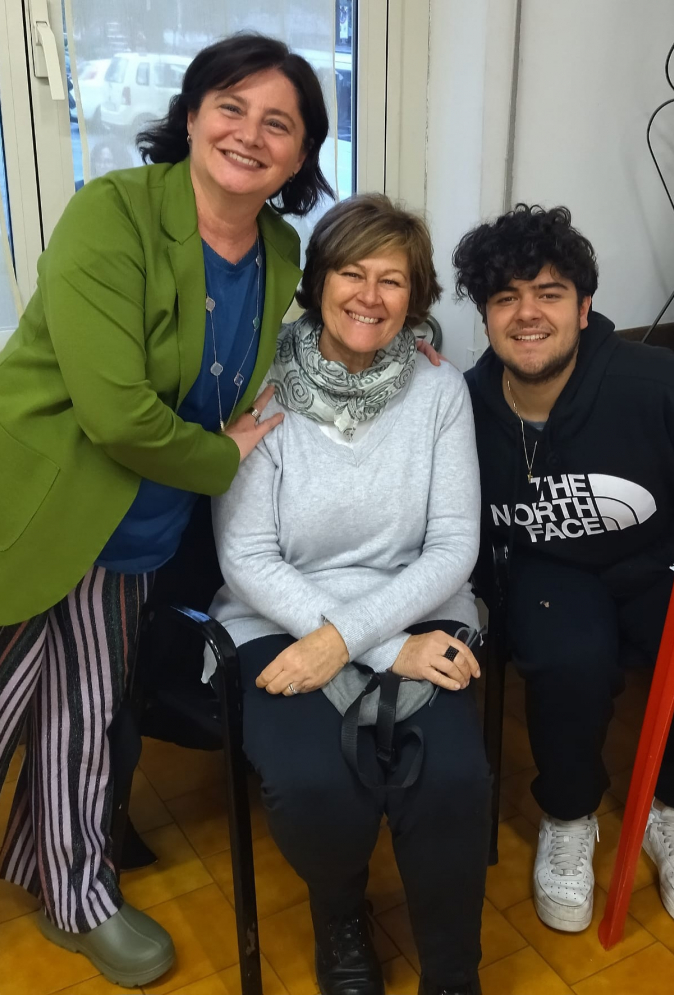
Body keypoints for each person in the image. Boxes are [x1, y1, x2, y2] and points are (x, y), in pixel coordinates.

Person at [0, 33, 331, 987]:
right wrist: (221, 456)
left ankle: (77, 893)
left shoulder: (282, 249)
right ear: (192, 116)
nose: (250, 134)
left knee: (84, 721)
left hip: (134, 532)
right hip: (10, 512)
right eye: (231, 107)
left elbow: (286, 343)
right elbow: (117, 412)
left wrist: (406, 344)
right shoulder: (113, 211)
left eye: (278, 123)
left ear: (300, 154)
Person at [456, 205, 674, 934]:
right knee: (567, 652)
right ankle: (569, 816)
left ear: (584, 307)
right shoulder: (463, 405)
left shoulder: (656, 382)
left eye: (549, 293)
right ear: (485, 316)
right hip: (547, 569)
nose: (528, 313)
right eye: (506, 297)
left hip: (661, 554)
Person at [209, 194, 491, 995]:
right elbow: (247, 557)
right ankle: (340, 914)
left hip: (418, 606)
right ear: (318, 281)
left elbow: (453, 545)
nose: (370, 296)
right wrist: (376, 646)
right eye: (351, 273)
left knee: (453, 776)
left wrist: (353, 640)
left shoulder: (440, 389)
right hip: (281, 614)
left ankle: (453, 970)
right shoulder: (261, 385)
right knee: (313, 780)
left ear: (415, 294)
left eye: (392, 280)